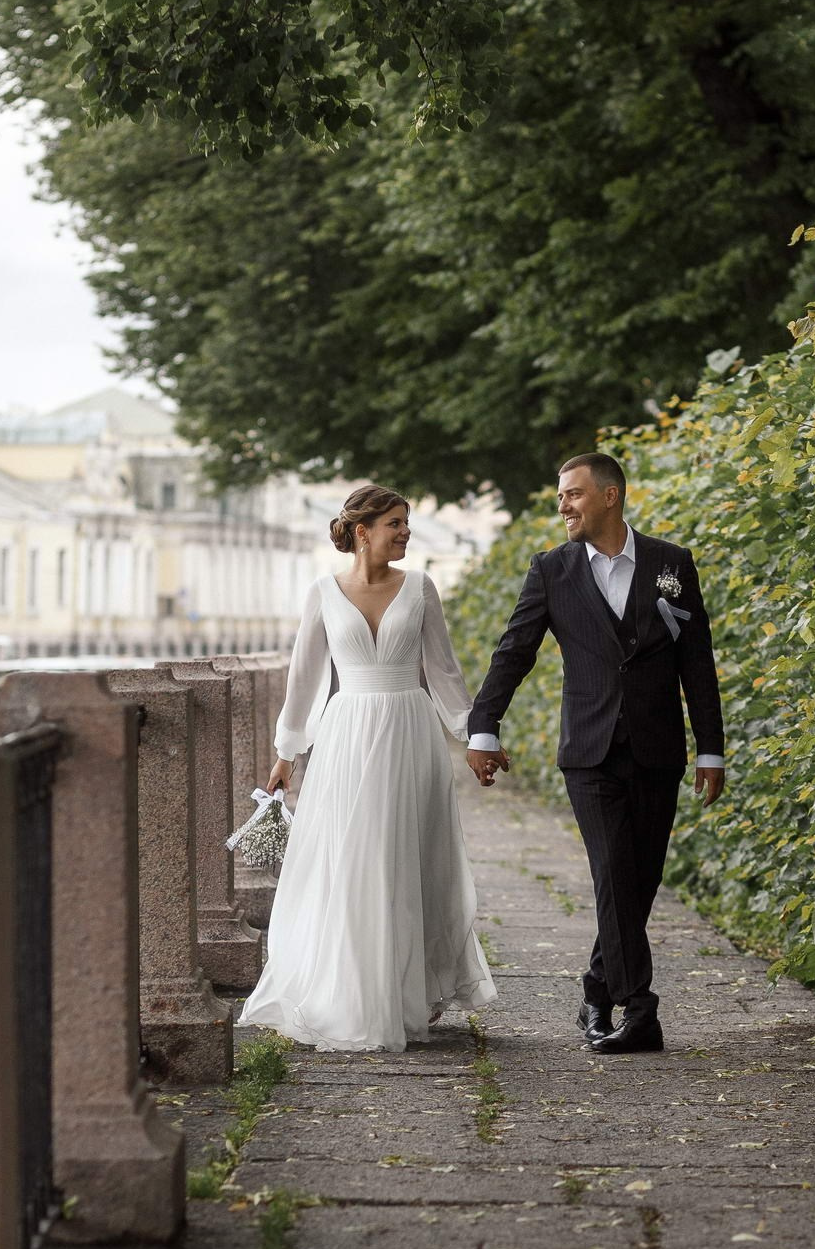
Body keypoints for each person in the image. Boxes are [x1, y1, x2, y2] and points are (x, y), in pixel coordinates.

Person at [465, 452, 725, 1054]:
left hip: (659, 748)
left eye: (574, 494)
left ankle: (595, 993)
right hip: (589, 750)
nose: (563, 504)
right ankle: (640, 1010)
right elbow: (514, 651)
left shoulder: (671, 563)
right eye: (561, 495)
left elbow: (696, 660)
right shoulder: (551, 570)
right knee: (613, 873)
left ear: (611, 496)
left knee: (641, 880)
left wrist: (710, 748)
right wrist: (484, 728)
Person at [239, 483, 498, 1052]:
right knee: (354, 857)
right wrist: (286, 753)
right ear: (363, 532)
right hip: (347, 735)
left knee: (409, 856)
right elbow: (304, 678)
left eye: (406, 523)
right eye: (395, 523)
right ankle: (356, 993)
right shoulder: (323, 592)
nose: (405, 532)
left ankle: (409, 993)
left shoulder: (421, 587)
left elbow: (444, 672)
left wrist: (475, 735)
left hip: (410, 730)